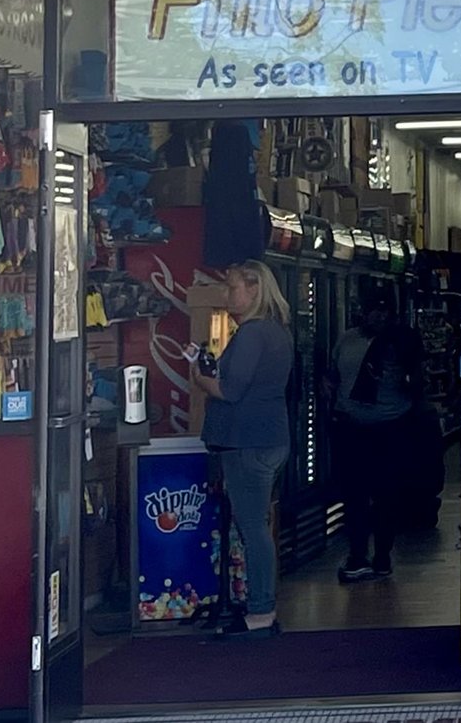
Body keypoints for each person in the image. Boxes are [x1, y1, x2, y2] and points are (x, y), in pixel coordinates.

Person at [198, 261, 295, 638]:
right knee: (258, 525)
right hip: (270, 435)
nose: (228, 295)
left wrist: (201, 378)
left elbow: (230, 390)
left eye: (233, 287)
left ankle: (260, 612)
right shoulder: (277, 332)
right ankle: (261, 607)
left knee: (253, 528)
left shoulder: (253, 334)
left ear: (254, 288)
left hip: (246, 439)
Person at [331, 292, 408, 583]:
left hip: (390, 428)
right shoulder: (346, 340)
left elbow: (416, 379)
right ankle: (358, 554)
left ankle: (383, 555)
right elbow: (333, 374)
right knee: (354, 495)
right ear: (362, 312)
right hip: (351, 428)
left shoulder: (402, 341)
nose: (379, 315)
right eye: (374, 309)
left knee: (386, 496)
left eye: (385, 310)